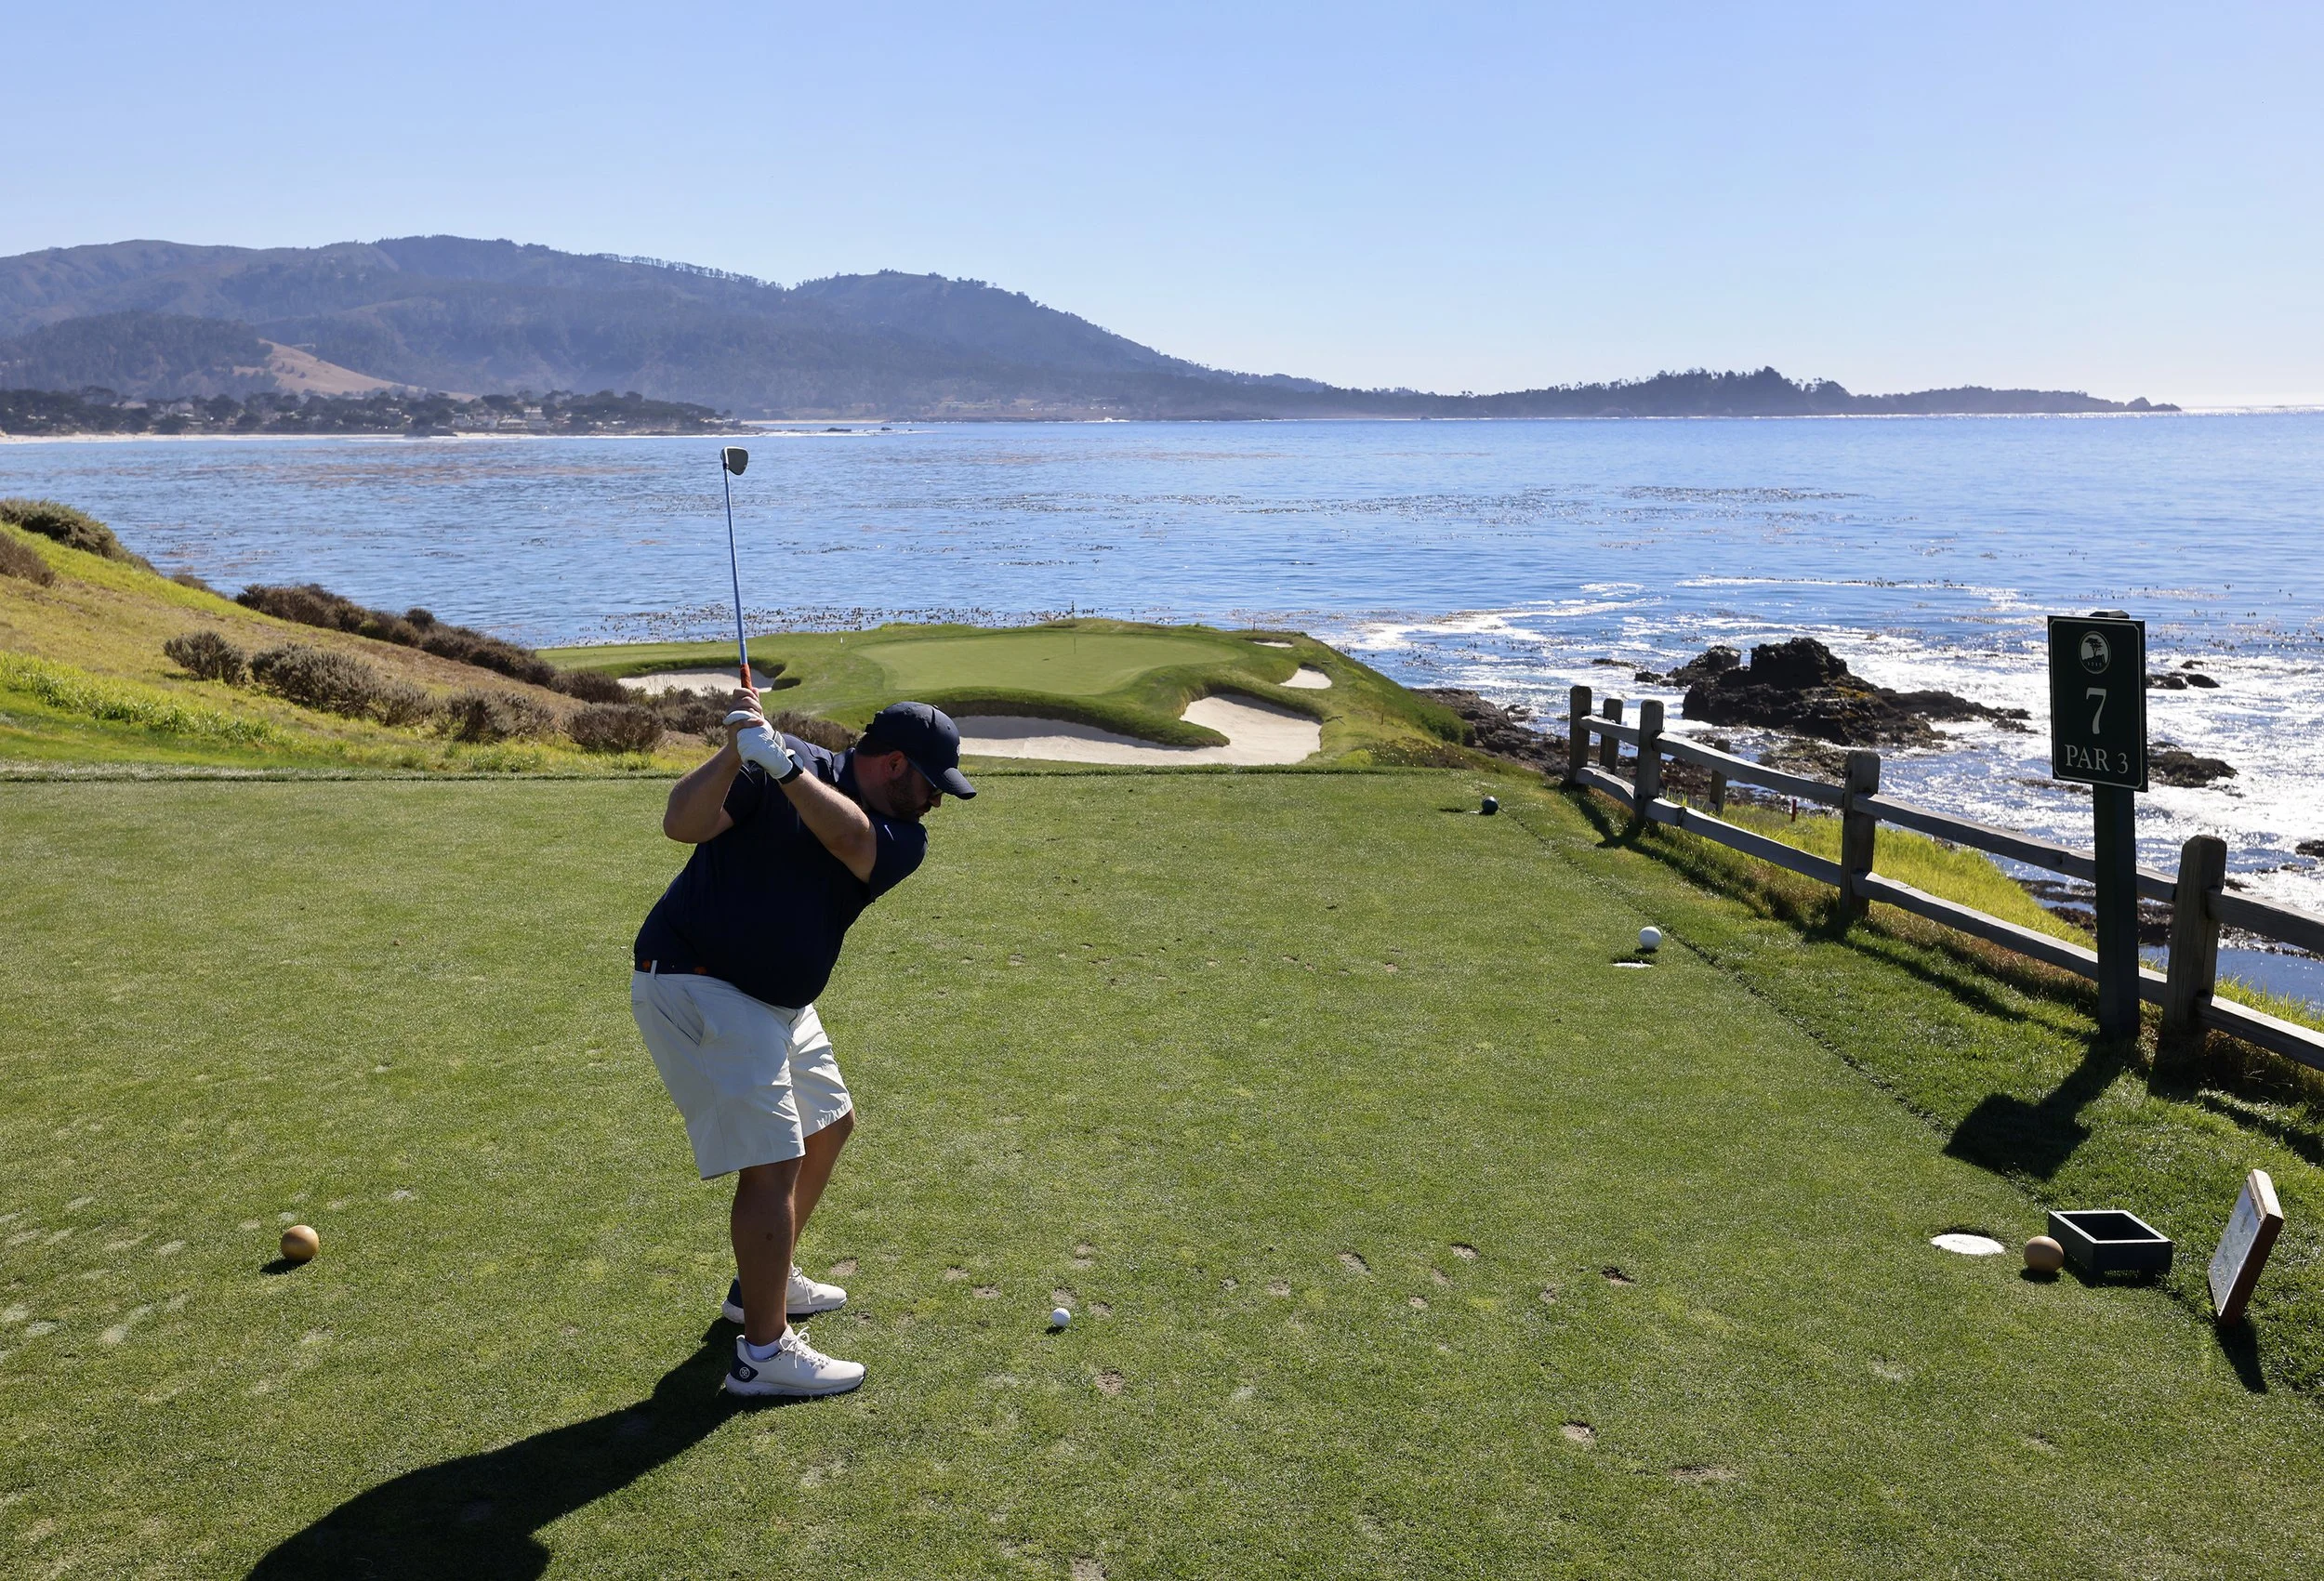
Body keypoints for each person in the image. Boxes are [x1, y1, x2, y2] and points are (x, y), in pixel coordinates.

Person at [631, 691, 974, 1398]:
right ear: (895, 762)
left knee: (830, 1123)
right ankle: (763, 1353)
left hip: (778, 1002)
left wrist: (782, 769)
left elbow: (850, 839)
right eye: (932, 786)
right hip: (698, 980)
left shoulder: (899, 835)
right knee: (774, 1158)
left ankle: (763, 1284)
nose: (937, 802)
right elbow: (680, 823)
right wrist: (733, 753)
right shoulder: (777, 765)